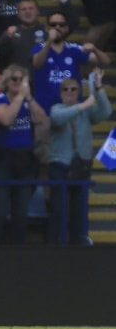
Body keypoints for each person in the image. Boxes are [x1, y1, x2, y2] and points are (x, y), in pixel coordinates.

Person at [47, 71, 111, 244]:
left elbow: (106, 112)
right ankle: (53, 247)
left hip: (81, 166)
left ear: (78, 92)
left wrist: (98, 88)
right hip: (60, 166)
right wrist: (83, 105)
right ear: (61, 93)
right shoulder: (57, 108)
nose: (70, 92)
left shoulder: (86, 112)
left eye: (74, 89)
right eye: (66, 89)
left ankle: (78, 245)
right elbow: (57, 118)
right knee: (59, 210)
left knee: (79, 211)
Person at [0, 66, 46, 245]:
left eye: (22, 80)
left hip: (25, 160)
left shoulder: (29, 101)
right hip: (3, 159)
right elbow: (6, 119)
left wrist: (28, 97)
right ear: (6, 81)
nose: (18, 83)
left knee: (21, 211)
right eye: (14, 79)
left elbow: (41, 118)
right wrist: (21, 97)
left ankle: (19, 250)